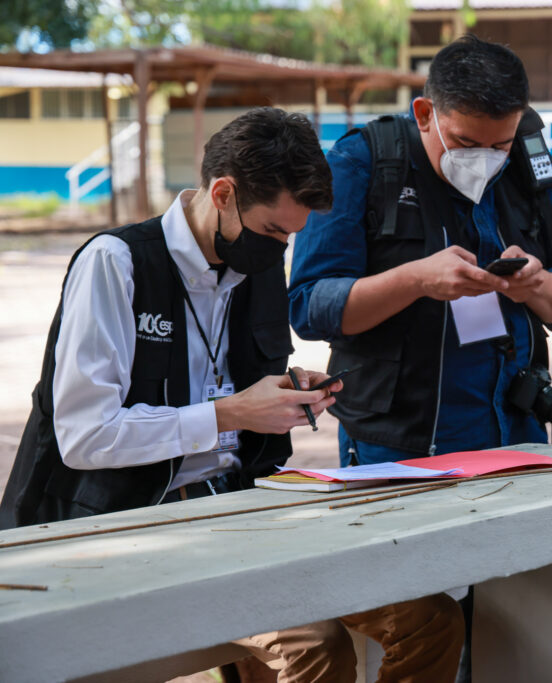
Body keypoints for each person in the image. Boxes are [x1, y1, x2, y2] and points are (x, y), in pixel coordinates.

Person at [0, 107, 463, 683]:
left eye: (291, 236)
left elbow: (235, 381)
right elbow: (84, 436)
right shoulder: (115, 264)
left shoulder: (257, 266)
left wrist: (288, 392)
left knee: (432, 619)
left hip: (242, 507)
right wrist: (231, 412)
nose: (282, 249)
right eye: (274, 231)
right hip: (133, 523)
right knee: (317, 648)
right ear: (223, 192)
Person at [288, 34, 552, 466]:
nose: (484, 160)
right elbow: (308, 307)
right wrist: (414, 281)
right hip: (401, 447)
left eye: (499, 146)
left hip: (517, 433)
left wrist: (535, 284)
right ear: (424, 114)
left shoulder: (527, 162)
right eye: (466, 144)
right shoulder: (362, 163)